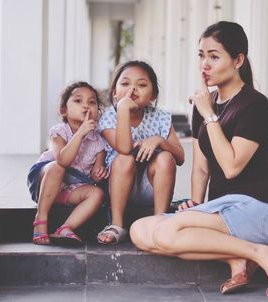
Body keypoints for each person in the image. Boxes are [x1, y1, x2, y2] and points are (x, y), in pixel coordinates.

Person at [129, 21, 268, 298]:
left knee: (168, 233)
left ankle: (266, 255)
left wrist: (209, 115)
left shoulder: (255, 105)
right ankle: (237, 258)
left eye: (214, 56)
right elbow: (201, 168)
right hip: (220, 209)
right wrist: (195, 204)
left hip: (256, 209)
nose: (204, 64)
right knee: (140, 230)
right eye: (201, 55)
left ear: (238, 60)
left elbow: (231, 167)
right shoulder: (206, 104)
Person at [96, 60, 185, 245]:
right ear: (114, 92)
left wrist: (160, 141)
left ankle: (159, 220)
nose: (133, 89)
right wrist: (123, 110)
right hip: (117, 186)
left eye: (142, 85)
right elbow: (124, 147)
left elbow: (180, 157)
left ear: (153, 95)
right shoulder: (109, 117)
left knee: (166, 157)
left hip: (150, 186)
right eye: (125, 83)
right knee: (124, 158)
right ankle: (117, 224)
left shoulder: (160, 117)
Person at [27, 81, 108, 246]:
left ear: (98, 113)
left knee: (97, 194)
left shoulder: (99, 141)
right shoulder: (59, 132)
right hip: (45, 182)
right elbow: (63, 160)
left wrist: (99, 172)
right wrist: (81, 133)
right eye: (78, 101)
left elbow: (95, 174)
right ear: (63, 110)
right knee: (57, 168)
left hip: (70, 189)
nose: (86, 106)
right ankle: (41, 218)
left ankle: (66, 228)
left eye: (92, 102)